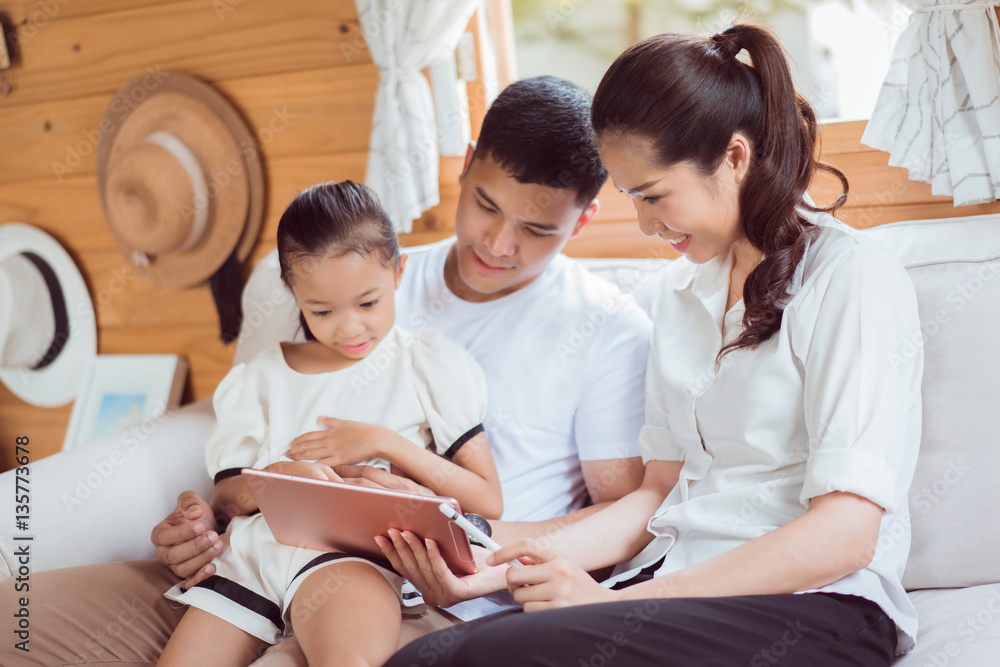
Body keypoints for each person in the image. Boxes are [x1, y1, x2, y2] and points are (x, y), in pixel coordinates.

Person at [1, 75, 652, 667]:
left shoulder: (606, 328)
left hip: (436, 598)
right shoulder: (356, 270)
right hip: (255, 563)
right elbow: (264, 434)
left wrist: (473, 553)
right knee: (13, 621)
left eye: (537, 229)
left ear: (585, 218)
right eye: (486, 205)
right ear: (468, 163)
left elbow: (619, 519)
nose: (499, 243)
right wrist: (201, 525)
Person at [382, 23, 923, 667]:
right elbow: (655, 495)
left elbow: (846, 533)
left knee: (482, 658)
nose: (643, 224)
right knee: (424, 656)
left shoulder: (851, 276)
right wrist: (489, 571)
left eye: (653, 195)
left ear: (734, 158)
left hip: (816, 604)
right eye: (630, 198)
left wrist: (615, 608)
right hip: (671, 588)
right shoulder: (679, 294)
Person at [156, 180, 503, 667]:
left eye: (368, 303)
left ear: (398, 273)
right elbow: (228, 496)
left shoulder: (426, 366)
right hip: (252, 559)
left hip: (351, 559)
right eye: (322, 310)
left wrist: (384, 443)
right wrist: (276, 480)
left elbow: (488, 498)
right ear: (293, 292)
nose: (350, 328)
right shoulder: (257, 379)